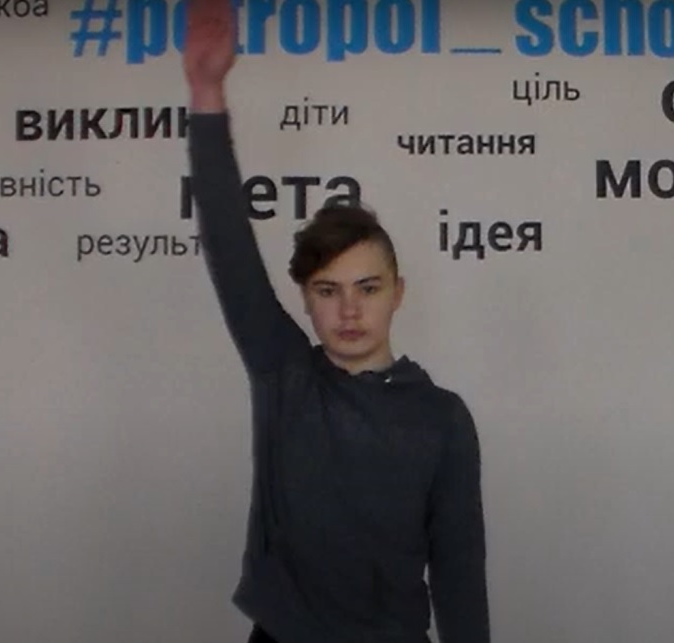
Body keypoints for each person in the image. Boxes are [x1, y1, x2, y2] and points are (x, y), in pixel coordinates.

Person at [182, 2, 490, 642]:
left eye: (367, 288)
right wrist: (206, 93)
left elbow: (459, 576)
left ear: (397, 294)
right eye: (328, 290)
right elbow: (231, 249)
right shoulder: (286, 377)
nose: (349, 310)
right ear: (306, 300)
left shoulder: (442, 419)